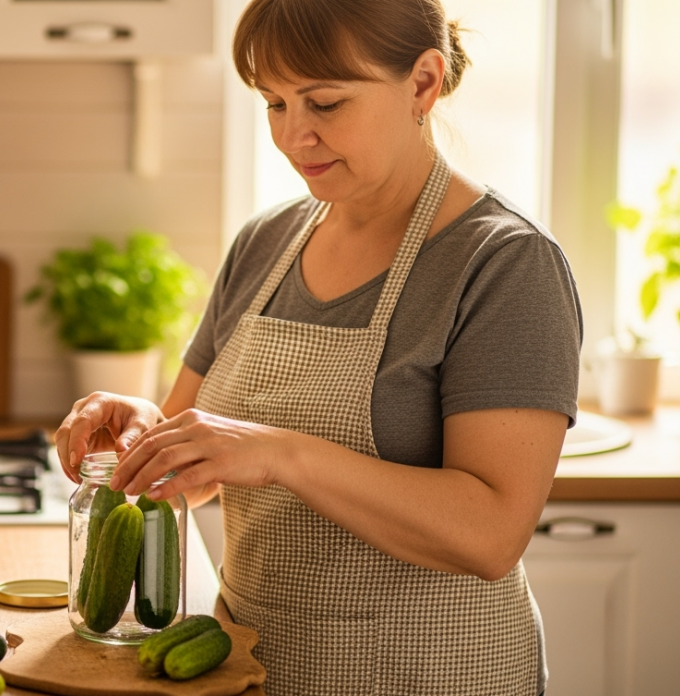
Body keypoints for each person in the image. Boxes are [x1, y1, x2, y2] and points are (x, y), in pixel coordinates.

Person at [55, 0, 581, 693]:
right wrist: (144, 431)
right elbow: (201, 465)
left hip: (429, 675)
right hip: (255, 670)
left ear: (423, 83)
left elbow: (490, 534)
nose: (294, 135)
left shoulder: (505, 263)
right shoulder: (266, 243)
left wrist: (280, 453)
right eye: (274, 103)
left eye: (325, 103)